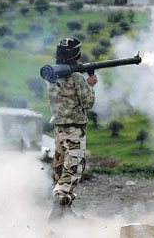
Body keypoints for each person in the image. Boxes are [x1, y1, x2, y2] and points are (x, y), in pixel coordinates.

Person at [46, 37, 97, 221]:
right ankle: (58, 210)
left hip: (59, 130)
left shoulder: (51, 75)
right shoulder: (76, 77)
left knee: (61, 169)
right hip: (74, 131)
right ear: (77, 54)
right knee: (73, 169)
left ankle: (66, 211)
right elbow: (88, 102)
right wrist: (90, 84)